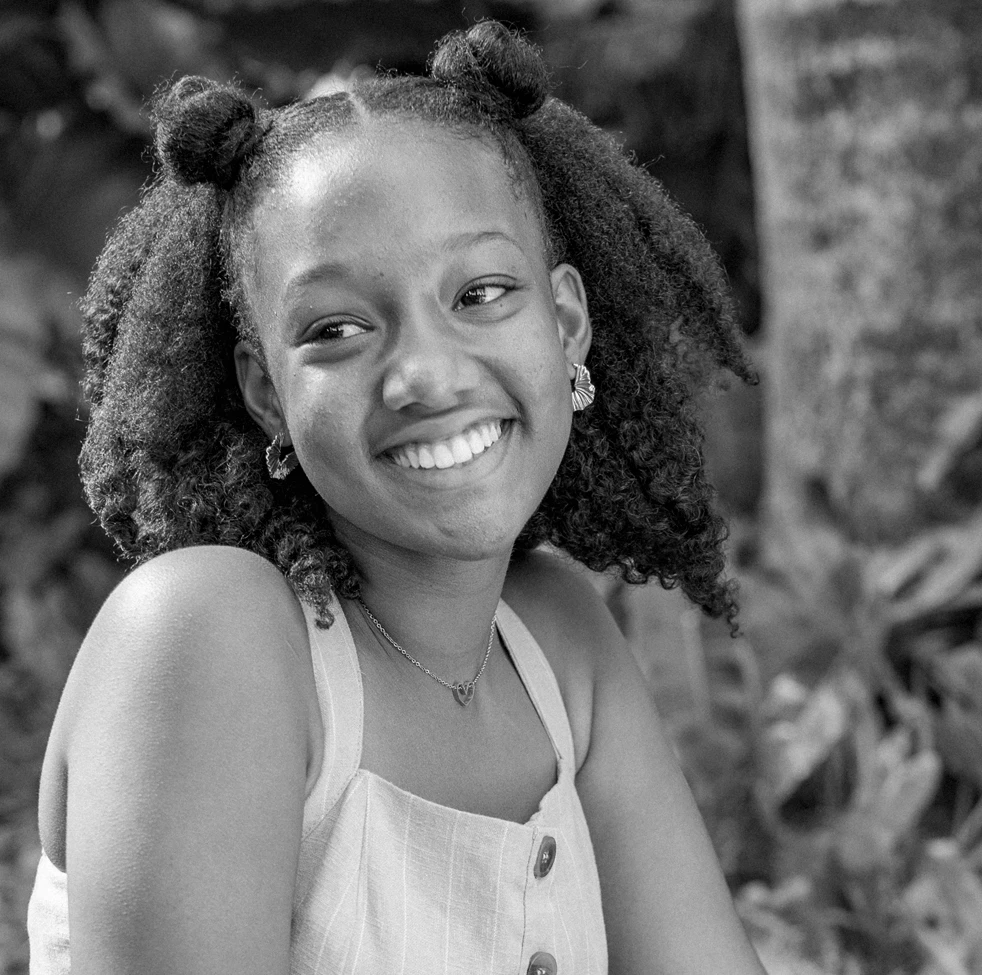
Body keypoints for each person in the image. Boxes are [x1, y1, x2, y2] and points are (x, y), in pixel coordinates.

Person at [25, 19, 766, 975]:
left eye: (482, 293)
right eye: (336, 327)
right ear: (266, 393)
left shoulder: (556, 647)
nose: (424, 372)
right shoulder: (210, 637)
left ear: (567, 324)